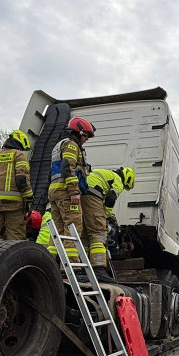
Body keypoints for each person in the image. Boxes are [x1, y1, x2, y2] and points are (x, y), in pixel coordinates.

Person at [47, 117, 95, 262]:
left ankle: (51, 263)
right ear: (79, 132)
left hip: (55, 192)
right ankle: (71, 266)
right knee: (73, 227)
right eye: (86, 135)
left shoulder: (58, 145)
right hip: (66, 192)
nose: (86, 139)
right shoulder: (71, 145)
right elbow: (67, 167)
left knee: (58, 230)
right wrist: (74, 191)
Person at [81, 166, 135, 277]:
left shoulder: (107, 174)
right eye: (125, 187)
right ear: (127, 179)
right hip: (93, 196)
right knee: (99, 232)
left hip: (82, 194)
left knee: (86, 235)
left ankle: (83, 267)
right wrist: (107, 215)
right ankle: (98, 268)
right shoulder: (118, 180)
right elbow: (111, 198)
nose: (123, 188)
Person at [0, 129, 33, 241]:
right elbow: (21, 180)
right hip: (13, 205)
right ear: (20, 143)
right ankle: (15, 259)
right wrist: (29, 199)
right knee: (15, 239)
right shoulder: (19, 155)